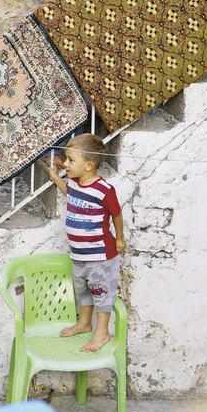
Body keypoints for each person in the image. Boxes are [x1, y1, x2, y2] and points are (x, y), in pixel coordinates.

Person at [45, 133, 125, 352]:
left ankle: (102, 333)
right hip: (79, 254)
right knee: (83, 292)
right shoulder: (75, 184)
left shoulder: (103, 190)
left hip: (100, 256)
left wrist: (119, 237)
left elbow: (116, 214)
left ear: (89, 165)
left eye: (71, 160)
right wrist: (55, 177)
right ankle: (84, 323)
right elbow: (69, 193)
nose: (65, 164)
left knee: (101, 293)